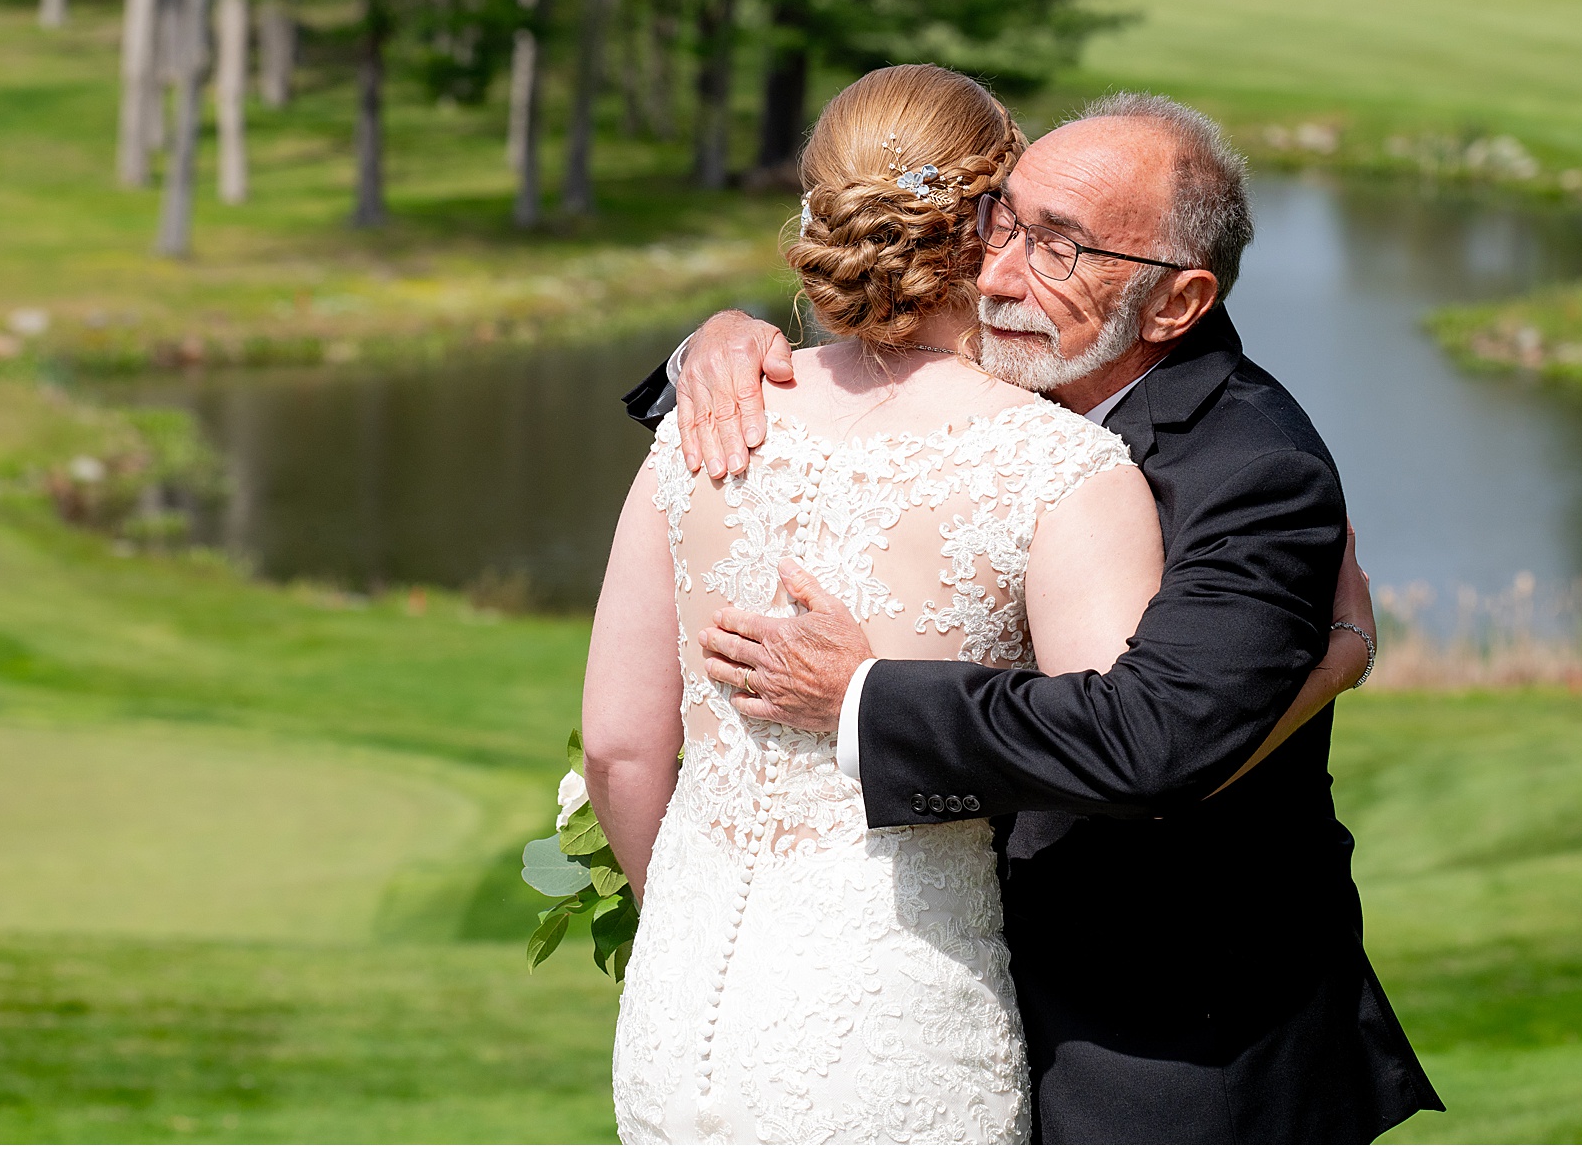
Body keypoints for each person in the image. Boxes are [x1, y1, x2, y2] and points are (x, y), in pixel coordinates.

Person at [628, 93, 1444, 1143]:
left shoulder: (1252, 471)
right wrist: (714, 346)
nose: (1001, 272)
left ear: (1175, 302)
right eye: (1002, 222)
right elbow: (850, 430)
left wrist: (863, 696)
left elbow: (1150, 744)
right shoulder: (1034, 375)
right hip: (945, 992)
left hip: (1167, 1049)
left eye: (1060, 250)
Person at [584, 65, 1169, 1144]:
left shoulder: (701, 431)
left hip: (682, 1000)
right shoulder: (1063, 469)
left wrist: (677, 914)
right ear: (996, 223)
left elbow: (620, 751)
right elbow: (1124, 763)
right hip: (896, 1008)